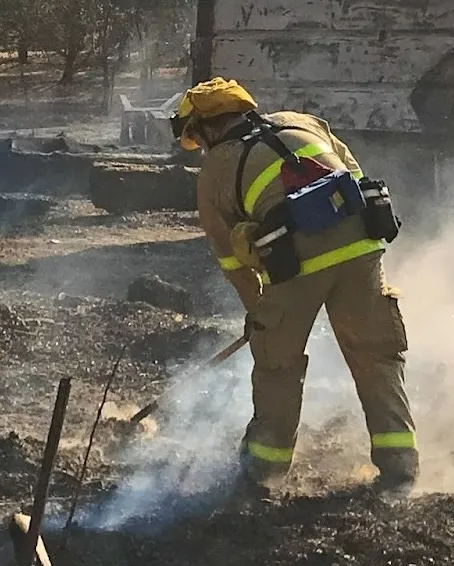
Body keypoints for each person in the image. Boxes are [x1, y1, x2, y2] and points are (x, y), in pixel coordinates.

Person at [175, 77, 418, 499]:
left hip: (294, 269)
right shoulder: (302, 123)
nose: (200, 145)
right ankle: (400, 468)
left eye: (196, 134)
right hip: (362, 250)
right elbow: (354, 177)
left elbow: (231, 261)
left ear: (208, 127)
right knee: (377, 357)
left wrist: (259, 315)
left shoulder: (215, 171)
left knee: (278, 367)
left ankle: (263, 470)